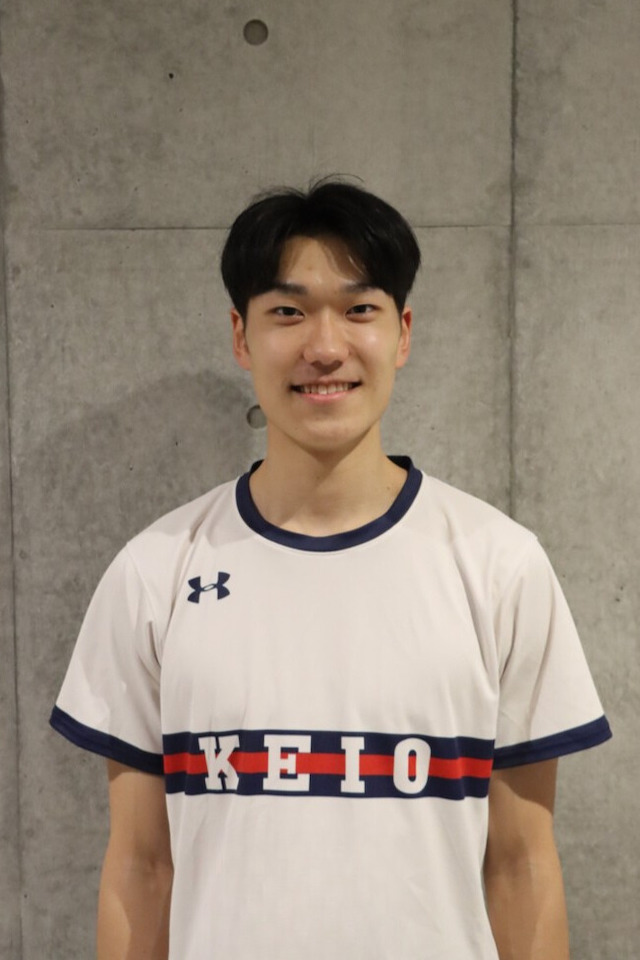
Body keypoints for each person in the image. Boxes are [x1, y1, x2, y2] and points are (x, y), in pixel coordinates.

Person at [51, 178, 612, 960]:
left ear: (403, 333)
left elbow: (520, 868)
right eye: (288, 311)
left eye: (359, 309)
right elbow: (142, 869)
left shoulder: (499, 566)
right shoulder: (154, 572)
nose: (324, 346)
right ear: (242, 337)